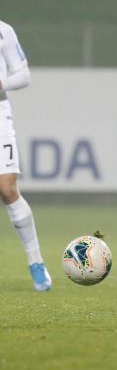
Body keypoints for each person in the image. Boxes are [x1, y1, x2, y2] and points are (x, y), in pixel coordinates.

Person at [0, 20, 51, 291]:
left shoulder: (3, 31)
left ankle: (35, 261)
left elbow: (24, 75)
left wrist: (1, 81)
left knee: (7, 189)